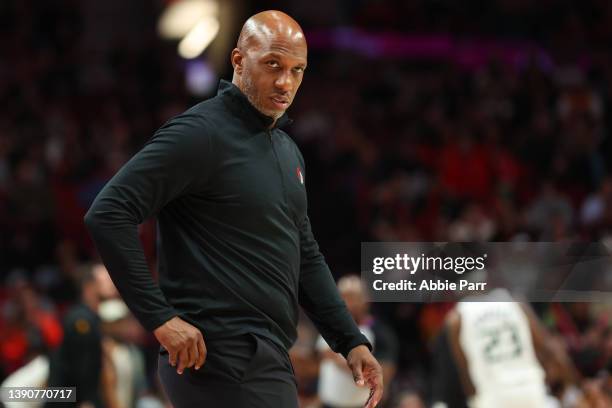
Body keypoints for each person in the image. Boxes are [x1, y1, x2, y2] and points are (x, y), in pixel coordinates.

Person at [84, 9, 383, 408]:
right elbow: (109, 212)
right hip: (216, 355)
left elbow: (306, 256)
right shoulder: (200, 133)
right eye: (273, 65)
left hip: (267, 355)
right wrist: (160, 319)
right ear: (239, 61)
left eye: (297, 70)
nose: (285, 82)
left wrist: (350, 341)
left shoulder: (287, 152)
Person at [442, 288, 576, 408]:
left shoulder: (455, 319)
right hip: (530, 390)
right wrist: (576, 386)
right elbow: (548, 349)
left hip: (492, 397)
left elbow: (466, 376)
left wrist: (475, 400)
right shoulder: (515, 303)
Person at [317, 276, 398, 408]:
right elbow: (322, 368)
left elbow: (385, 375)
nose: (347, 303)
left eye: (353, 297)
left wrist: (340, 361)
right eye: (342, 297)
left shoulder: (379, 332)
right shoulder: (327, 328)